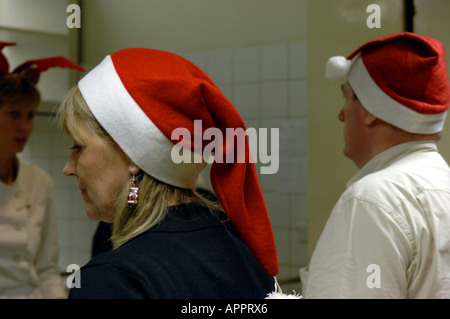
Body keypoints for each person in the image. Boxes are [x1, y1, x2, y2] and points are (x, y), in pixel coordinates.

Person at [58, 48, 278, 298]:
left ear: (134, 155)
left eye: (78, 147)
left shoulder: (112, 281)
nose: (68, 168)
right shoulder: (240, 255)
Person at [300, 32, 450, 298]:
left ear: (371, 110)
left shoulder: (372, 201)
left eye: (347, 96)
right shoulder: (442, 184)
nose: (341, 114)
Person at [0, 42, 84, 298]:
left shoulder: (39, 181)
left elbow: (47, 268)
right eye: (14, 114)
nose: (25, 126)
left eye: (31, 115)